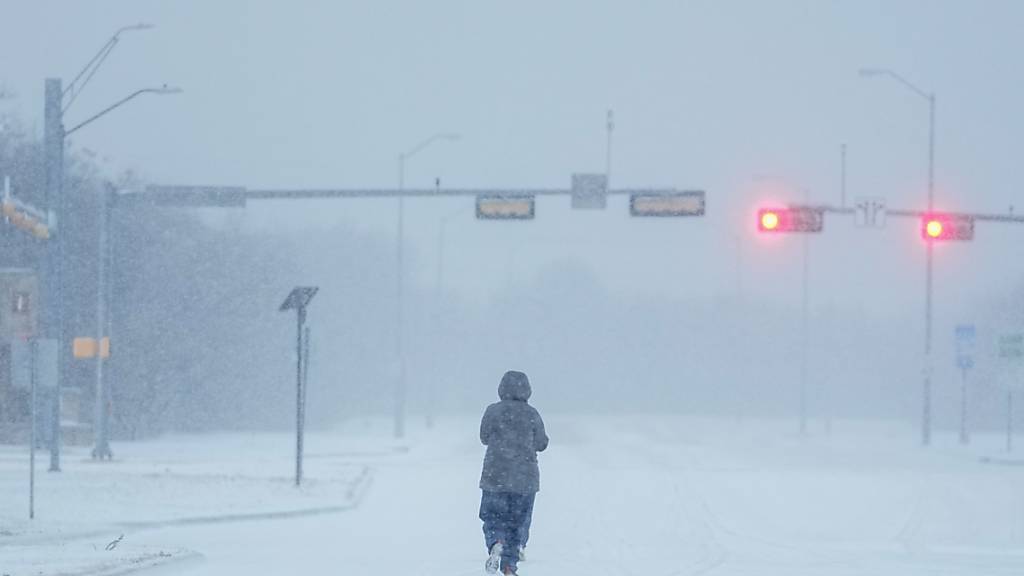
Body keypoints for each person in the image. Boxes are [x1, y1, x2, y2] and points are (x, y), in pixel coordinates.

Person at [479, 370, 548, 575]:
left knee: (493, 516)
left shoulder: (493, 411)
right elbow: (541, 443)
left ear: (501, 388)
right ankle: (509, 565)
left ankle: (496, 542)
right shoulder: (532, 414)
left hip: (494, 476)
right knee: (517, 522)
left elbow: (484, 437)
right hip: (524, 479)